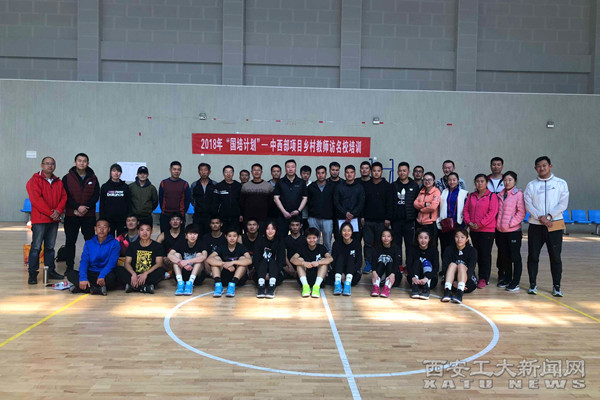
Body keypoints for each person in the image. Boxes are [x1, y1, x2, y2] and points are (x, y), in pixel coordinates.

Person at [524, 156, 569, 297]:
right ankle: (532, 284)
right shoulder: (531, 185)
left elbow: (563, 204)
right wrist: (541, 217)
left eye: (544, 165)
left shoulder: (561, 183)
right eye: (539, 166)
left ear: (550, 166)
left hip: (554, 225)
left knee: (555, 257)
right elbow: (528, 204)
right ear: (535, 168)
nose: (542, 168)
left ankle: (557, 286)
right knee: (533, 256)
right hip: (535, 226)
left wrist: (549, 216)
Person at [26, 156, 67, 284]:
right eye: (47, 163)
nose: (50, 166)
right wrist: (51, 213)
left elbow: (64, 197)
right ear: (42, 165)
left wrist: (58, 211)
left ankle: (50, 271)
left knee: (50, 248)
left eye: (52, 164)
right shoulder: (34, 180)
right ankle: (32, 274)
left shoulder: (58, 182)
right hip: (40, 220)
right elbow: (36, 200)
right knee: (36, 247)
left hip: (53, 221)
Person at [62, 153, 100, 276]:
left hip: (88, 216)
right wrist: (77, 207)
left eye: (84, 161)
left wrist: (86, 207)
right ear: (75, 162)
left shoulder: (93, 178)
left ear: (88, 163)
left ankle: (91, 266)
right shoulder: (67, 178)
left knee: (90, 242)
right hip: (72, 215)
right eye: (79, 160)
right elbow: (65, 195)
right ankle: (69, 267)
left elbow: (96, 195)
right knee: (70, 241)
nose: (82, 163)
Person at [463, 174, 499, 289]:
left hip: (487, 230)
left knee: (485, 254)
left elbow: (492, 212)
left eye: (482, 181)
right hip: (474, 230)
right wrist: (469, 222)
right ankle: (476, 275)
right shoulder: (471, 196)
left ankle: (484, 278)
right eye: (477, 181)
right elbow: (466, 210)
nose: (479, 183)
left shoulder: (492, 196)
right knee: (476, 253)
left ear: (486, 183)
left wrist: (480, 224)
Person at [68, 219, 120, 295]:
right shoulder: (89, 243)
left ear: (109, 229)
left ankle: (83, 288)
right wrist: (83, 278)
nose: (101, 230)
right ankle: (96, 289)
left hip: (105, 274)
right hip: (91, 273)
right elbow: (84, 261)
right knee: (70, 274)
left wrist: (102, 275)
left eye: (104, 227)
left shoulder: (115, 243)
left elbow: (112, 263)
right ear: (95, 229)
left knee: (112, 278)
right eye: (99, 227)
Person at [495, 171, 526, 292]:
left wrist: (510, 223)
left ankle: (515, 281)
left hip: (513, 231)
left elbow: (521, 213)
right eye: (505, 180)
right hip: (500, 231)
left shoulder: (518, 194)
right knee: (505, 256)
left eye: (510, 180)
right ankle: (507, 279)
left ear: (515, 181)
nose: (507, 182)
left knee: (515, 257)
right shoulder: (500, 195)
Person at [389, 161, 419, 275]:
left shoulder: (414, 185)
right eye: (400, 171)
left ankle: (409, 266)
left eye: (404, 171)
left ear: (408, 172)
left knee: (410, 245)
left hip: (409, 221)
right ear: (397, 172)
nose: (402, 173)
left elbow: (417, 203)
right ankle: (398, 266)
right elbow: (390, 203)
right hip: (396, 221)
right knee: (396, 245)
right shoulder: (393, 185)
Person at [118, 221, 165, 294]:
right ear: (138, 231)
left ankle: (133, 286)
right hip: (134, 274)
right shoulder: (132, 245)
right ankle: (145, 287)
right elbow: (127, 263)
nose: (144, 233)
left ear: (151, 231)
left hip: (149, 274)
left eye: (147, 230)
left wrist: (146, 273)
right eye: (142, 230)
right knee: (118, 269)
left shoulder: (157, 246)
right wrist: (133, 274)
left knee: (161, 271)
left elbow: (159, 264)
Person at [362, 161, 391, 274]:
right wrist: (362, 217)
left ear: (381, 172)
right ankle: (368, 263)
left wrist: (388, 218)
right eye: (374, 171)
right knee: (368, 244)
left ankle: (379, 263)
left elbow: (390, 203)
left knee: (380, 243)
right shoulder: (366, 185)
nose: (376, 173)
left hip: (382, 221)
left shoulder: (387, 186)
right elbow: (362, 202)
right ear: (371, 172)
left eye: (378, 171)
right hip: (368, 221)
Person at [206, 228, 251, 297]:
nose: (232, 238)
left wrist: (233, 262)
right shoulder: (222, 247)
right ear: (226, 237)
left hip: (238, 279)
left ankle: (232, 285)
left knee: (243, 259)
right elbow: (209, 259)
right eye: (229, 236)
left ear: (238, 237)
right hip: (224, 277)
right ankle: (218, 285)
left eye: (234, 236)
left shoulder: (241, 247)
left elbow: (249, 260)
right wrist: (224, 264)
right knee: (216, 259)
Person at [291, 227, 333, 298]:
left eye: (314, 238)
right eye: (309, 238)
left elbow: (330, 258)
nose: (312, 240)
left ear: (317, 238)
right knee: (300, 260)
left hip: (318, 278)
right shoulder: (302, 248)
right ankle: (305, 287)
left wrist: (318, 262)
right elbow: (292, 259)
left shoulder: (321, 248)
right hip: (305, 277)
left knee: (324, 261)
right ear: (306, 238)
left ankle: (316, 287)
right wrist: (304, 263)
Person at [168, 224, 208, 296]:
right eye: (190, 234)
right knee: (176, 255)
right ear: (186, 236)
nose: (192, 236)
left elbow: (204, 256)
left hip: (196, 276)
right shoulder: (181, 242)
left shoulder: (201, 242)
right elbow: (169, 255)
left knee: (199, 255)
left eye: (195, 234)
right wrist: (182, 263)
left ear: (198, 235)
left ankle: (190, 283)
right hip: (182, 274)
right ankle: (180, 283)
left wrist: (187, 261)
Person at [440, 228, 478, 304]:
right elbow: (444, 268)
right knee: (452, 265)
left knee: (461, 265)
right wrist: (453, 282)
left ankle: (460, 293)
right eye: (457, 237)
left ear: (467, 239)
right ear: (454, 238)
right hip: (452, 282)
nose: (459, 239)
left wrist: (462, 283)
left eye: (462, 237)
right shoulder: (449, 249)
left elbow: (471, 269)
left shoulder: (472, 251)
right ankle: (447, 291)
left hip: (467, 283)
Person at [436, 172, 468, 256]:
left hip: (458, 224)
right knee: (445, 247)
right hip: (445, 224)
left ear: (458, 181)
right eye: (450, 180)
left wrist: (465, 224)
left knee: (457, 246)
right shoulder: (443, 192)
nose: (452, 182)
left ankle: (456, 264)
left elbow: (466, 209)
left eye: (454, 180)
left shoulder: (463, 193)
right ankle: (445, 264)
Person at [273, 159, 308, 236]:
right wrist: (284, 212)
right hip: (282, 216)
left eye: (292, 167)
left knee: (298, 238)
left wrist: (298, 210)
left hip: (297, 216)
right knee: (282, 237)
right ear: (285, 169)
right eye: (288, 167)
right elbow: (276, 198)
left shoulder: (301, 182)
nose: (290, 169)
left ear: (295, 168)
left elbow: (305, 198)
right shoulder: (280, 182)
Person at [253, 221, 286, 298]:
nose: (270, 231)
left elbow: (281, 261)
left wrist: (272, 274)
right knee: (265, 260)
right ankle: (261, 287)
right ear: (264, 230)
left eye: (273, 229)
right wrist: (263, 274)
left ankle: (271, 287)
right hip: (261, 274)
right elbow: (256, 260)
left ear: (276, 230)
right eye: (268, 229)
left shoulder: (280, 241)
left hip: (275, 274)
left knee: (271, 260)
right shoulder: (259, 241)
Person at [333, 165, 365, 240]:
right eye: (347, 172)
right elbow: (336, 202)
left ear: (355, 174)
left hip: (355, 218)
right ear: (344, 174)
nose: (349, 174)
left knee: (356, 241)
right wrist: (345, 214)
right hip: (341, 218)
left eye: (351, 172)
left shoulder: (359, 187)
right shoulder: (339, 187)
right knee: (340, 240)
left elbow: (361, 203)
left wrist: (352, 214)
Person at [307, 165, 335, 252]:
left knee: (327, 242)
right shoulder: (311, 187)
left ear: (326, 174)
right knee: (314, 241)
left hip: (328, 218)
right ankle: (315, 258)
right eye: (318, 173)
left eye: (322, 173)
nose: (320, 175)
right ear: (316, 174)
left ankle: (328, 259)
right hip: (313, 218)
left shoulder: (332, 186)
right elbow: (307, 202)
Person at [99, 163, 131, 237]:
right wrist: (102, 219)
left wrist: (128, 218)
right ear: (110, 172)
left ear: (121, 173)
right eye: (114, 171)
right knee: (109, 239)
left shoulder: (125, 187)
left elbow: (129, 203)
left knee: (122, 240)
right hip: (108, 219)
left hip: (122, 219)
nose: (116, 173)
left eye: (118, 171)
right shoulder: (105, 187)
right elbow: (102, 204)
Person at [331, 222, 362, 296]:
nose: (346, 233)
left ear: (352, 232)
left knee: (351, 258)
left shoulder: (357, 244)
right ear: (341, 232)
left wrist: (348, 273)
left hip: (351, 273)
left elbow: (359, 262)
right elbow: (333, 261)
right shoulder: (336, 243)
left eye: (349, 230)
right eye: (344, 230)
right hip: (338, 271)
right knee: (340, 257)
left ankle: (347, 285)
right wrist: (341, 274)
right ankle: (337, 284)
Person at [159, 161, 191, 233]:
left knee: (180, 237)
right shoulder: (163, 183)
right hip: (165, 215)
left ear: (181, 171)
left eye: (178, 169)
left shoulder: (185, 184)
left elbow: (187, 200)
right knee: (165, 236)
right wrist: (164, 210)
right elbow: (161, 198)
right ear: (170, 170)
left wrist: (182, 212)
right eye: (174, 169)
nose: (176, 171)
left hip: (179, 216)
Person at [407, 229, 439, 299]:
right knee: (417, 261)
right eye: (421, 238)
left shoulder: (433, 250)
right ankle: (415, 287)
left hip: (429, 279)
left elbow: (436, 267)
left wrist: (427, 278)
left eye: (425, 238)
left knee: (426, 262)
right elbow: (408, 265)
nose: (423, 240)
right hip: (415, 279)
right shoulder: (412, 249)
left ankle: (426, 288)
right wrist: (413, 277)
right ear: (417, 239)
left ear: (429, 239)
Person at [370, 229, 401, 298]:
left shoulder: (396, 249)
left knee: (389, 263)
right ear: (381, 238)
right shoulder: (376, 248)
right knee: (381, 262)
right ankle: (376, 286)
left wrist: (393, 274)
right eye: (384, 236)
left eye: (388, 236)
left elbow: (397, 263)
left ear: (391, 238)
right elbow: (373, 261)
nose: (386, 238)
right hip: (380, 275)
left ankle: (387, 287)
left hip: (392, 275)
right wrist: (374, 272)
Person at [413, 172, 441, 244]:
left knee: (432, 244)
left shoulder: (436, 192)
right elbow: (415, 203)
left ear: (433, 181)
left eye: (429, 180)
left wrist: (421, 210)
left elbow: (433, 207)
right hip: (419, 223)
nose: (427, 181)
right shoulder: (421, 191)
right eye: (425, 179)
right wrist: (426, 204)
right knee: (419, 244)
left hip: (430, 223)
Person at [191, 162, 217, 236]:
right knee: (198, 235)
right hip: (198, 215)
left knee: (210, 235)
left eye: (205, 170)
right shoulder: (194, 185)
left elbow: (217, 199)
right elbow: (192, 199)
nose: (203, 172)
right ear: (198, 172)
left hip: (211, 215)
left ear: (209, 172)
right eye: (201, 170)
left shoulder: (214, 184)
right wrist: (197, 206)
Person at [215, 165, 243, 233]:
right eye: (226, 172)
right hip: (222, 216)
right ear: (223, 173)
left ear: (233, 173)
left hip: (236, 216)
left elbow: (242, 201)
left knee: (236, 234)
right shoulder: (219, 186)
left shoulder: (238, 185)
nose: (228, 174)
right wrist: (216, 216)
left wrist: (241, 214)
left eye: (230, 172)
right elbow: (215, 202)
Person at [156, 213, 183, 280]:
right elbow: (155, 247)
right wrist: (163, 257)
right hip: (166, 261)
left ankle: (171, 274)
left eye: (177, 219)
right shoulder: (164, 234)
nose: (175, 221)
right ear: (170, 222)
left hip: (180, 261)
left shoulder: (185, 235)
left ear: (181, 222)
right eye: (173, 220)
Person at [300, 165, 312, 229]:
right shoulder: (297, 184)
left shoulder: (312, 185)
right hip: (299, 214)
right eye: (304, 173)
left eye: (307, 174)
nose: (305, 175)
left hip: (310, 214)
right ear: (300, 174)